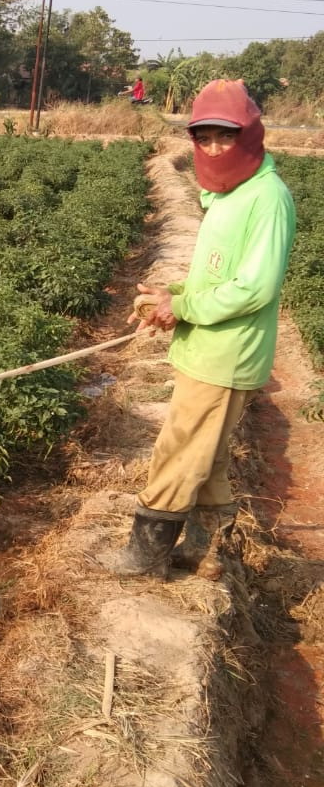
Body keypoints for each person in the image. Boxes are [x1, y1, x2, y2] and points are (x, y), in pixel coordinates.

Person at [98, 79, 296, 579]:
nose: (212, 148)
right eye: (203, 137)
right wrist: (172, 298)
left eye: (224, 137)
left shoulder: (266, 197)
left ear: (249, 135)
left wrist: (184, 310)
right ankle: (207, 552)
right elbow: (217, 273)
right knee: (209, 456)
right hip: (206, 346)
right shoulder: (227, 194)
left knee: (180, 449)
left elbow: (254, 287)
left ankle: (144, 557)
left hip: (225, 353)